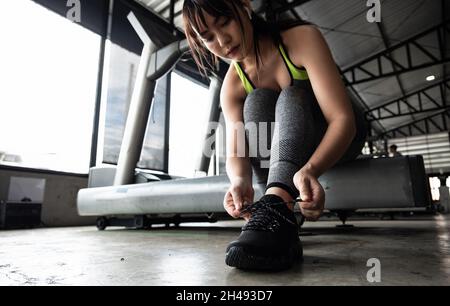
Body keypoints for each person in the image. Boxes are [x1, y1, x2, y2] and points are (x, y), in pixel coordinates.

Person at [182, 0, 367, 270]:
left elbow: (343, 120)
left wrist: (311, 170)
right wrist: (240, 182)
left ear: (244, 6)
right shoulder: (232, 86)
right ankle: (279, 208)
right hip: (286, 154)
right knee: (256, 101)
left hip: (338, 135)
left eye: (224, 23)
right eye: (208, 37)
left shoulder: (301, 38)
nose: (222, 41)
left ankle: (276, 207)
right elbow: (237, 150)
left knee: (291, 95)